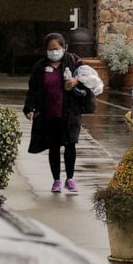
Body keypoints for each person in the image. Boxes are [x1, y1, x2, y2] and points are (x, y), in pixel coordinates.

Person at [23, 32, 88, 194]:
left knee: (70, 144)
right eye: (50, 49)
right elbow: (33, 89)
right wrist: (29, 108)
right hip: (49, 113)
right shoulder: (40, 67)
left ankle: (70, 178)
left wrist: (76, 81)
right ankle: (57, 180)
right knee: (54, 147)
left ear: (64, 48)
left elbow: (89, 76)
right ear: (45, 50)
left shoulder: (73, 62)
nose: (54, 52)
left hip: (70, 111)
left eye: (57, 48)